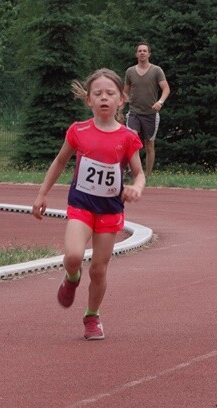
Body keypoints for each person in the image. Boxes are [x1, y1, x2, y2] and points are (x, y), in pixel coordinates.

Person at [33, 69, 145, 340]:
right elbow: (60, 162)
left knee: (98, 269)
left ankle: (92, 316)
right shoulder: (78, 131)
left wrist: (136, 187)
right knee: (73, 256)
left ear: (121, 100)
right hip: (81, 206)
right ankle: (71, 278)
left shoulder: (127, 137)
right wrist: (42, 194)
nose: (104, 98)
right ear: (88, 100)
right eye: (98, 94)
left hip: (110, 211)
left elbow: (138, 173)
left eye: (110, 93)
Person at [124, 41, 170, 177]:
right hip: (134, 112)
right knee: (131, 140)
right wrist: (119, 110)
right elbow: (125, 93)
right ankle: (133, 172)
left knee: (149, 144)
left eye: (145, 51)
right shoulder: (130, 71)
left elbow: (166, 88)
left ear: (149, 54)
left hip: (151, 113)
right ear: (136, 54)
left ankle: (148, 175)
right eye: (140, 51)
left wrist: (160, 102)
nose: (142, 53)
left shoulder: (156, 70)